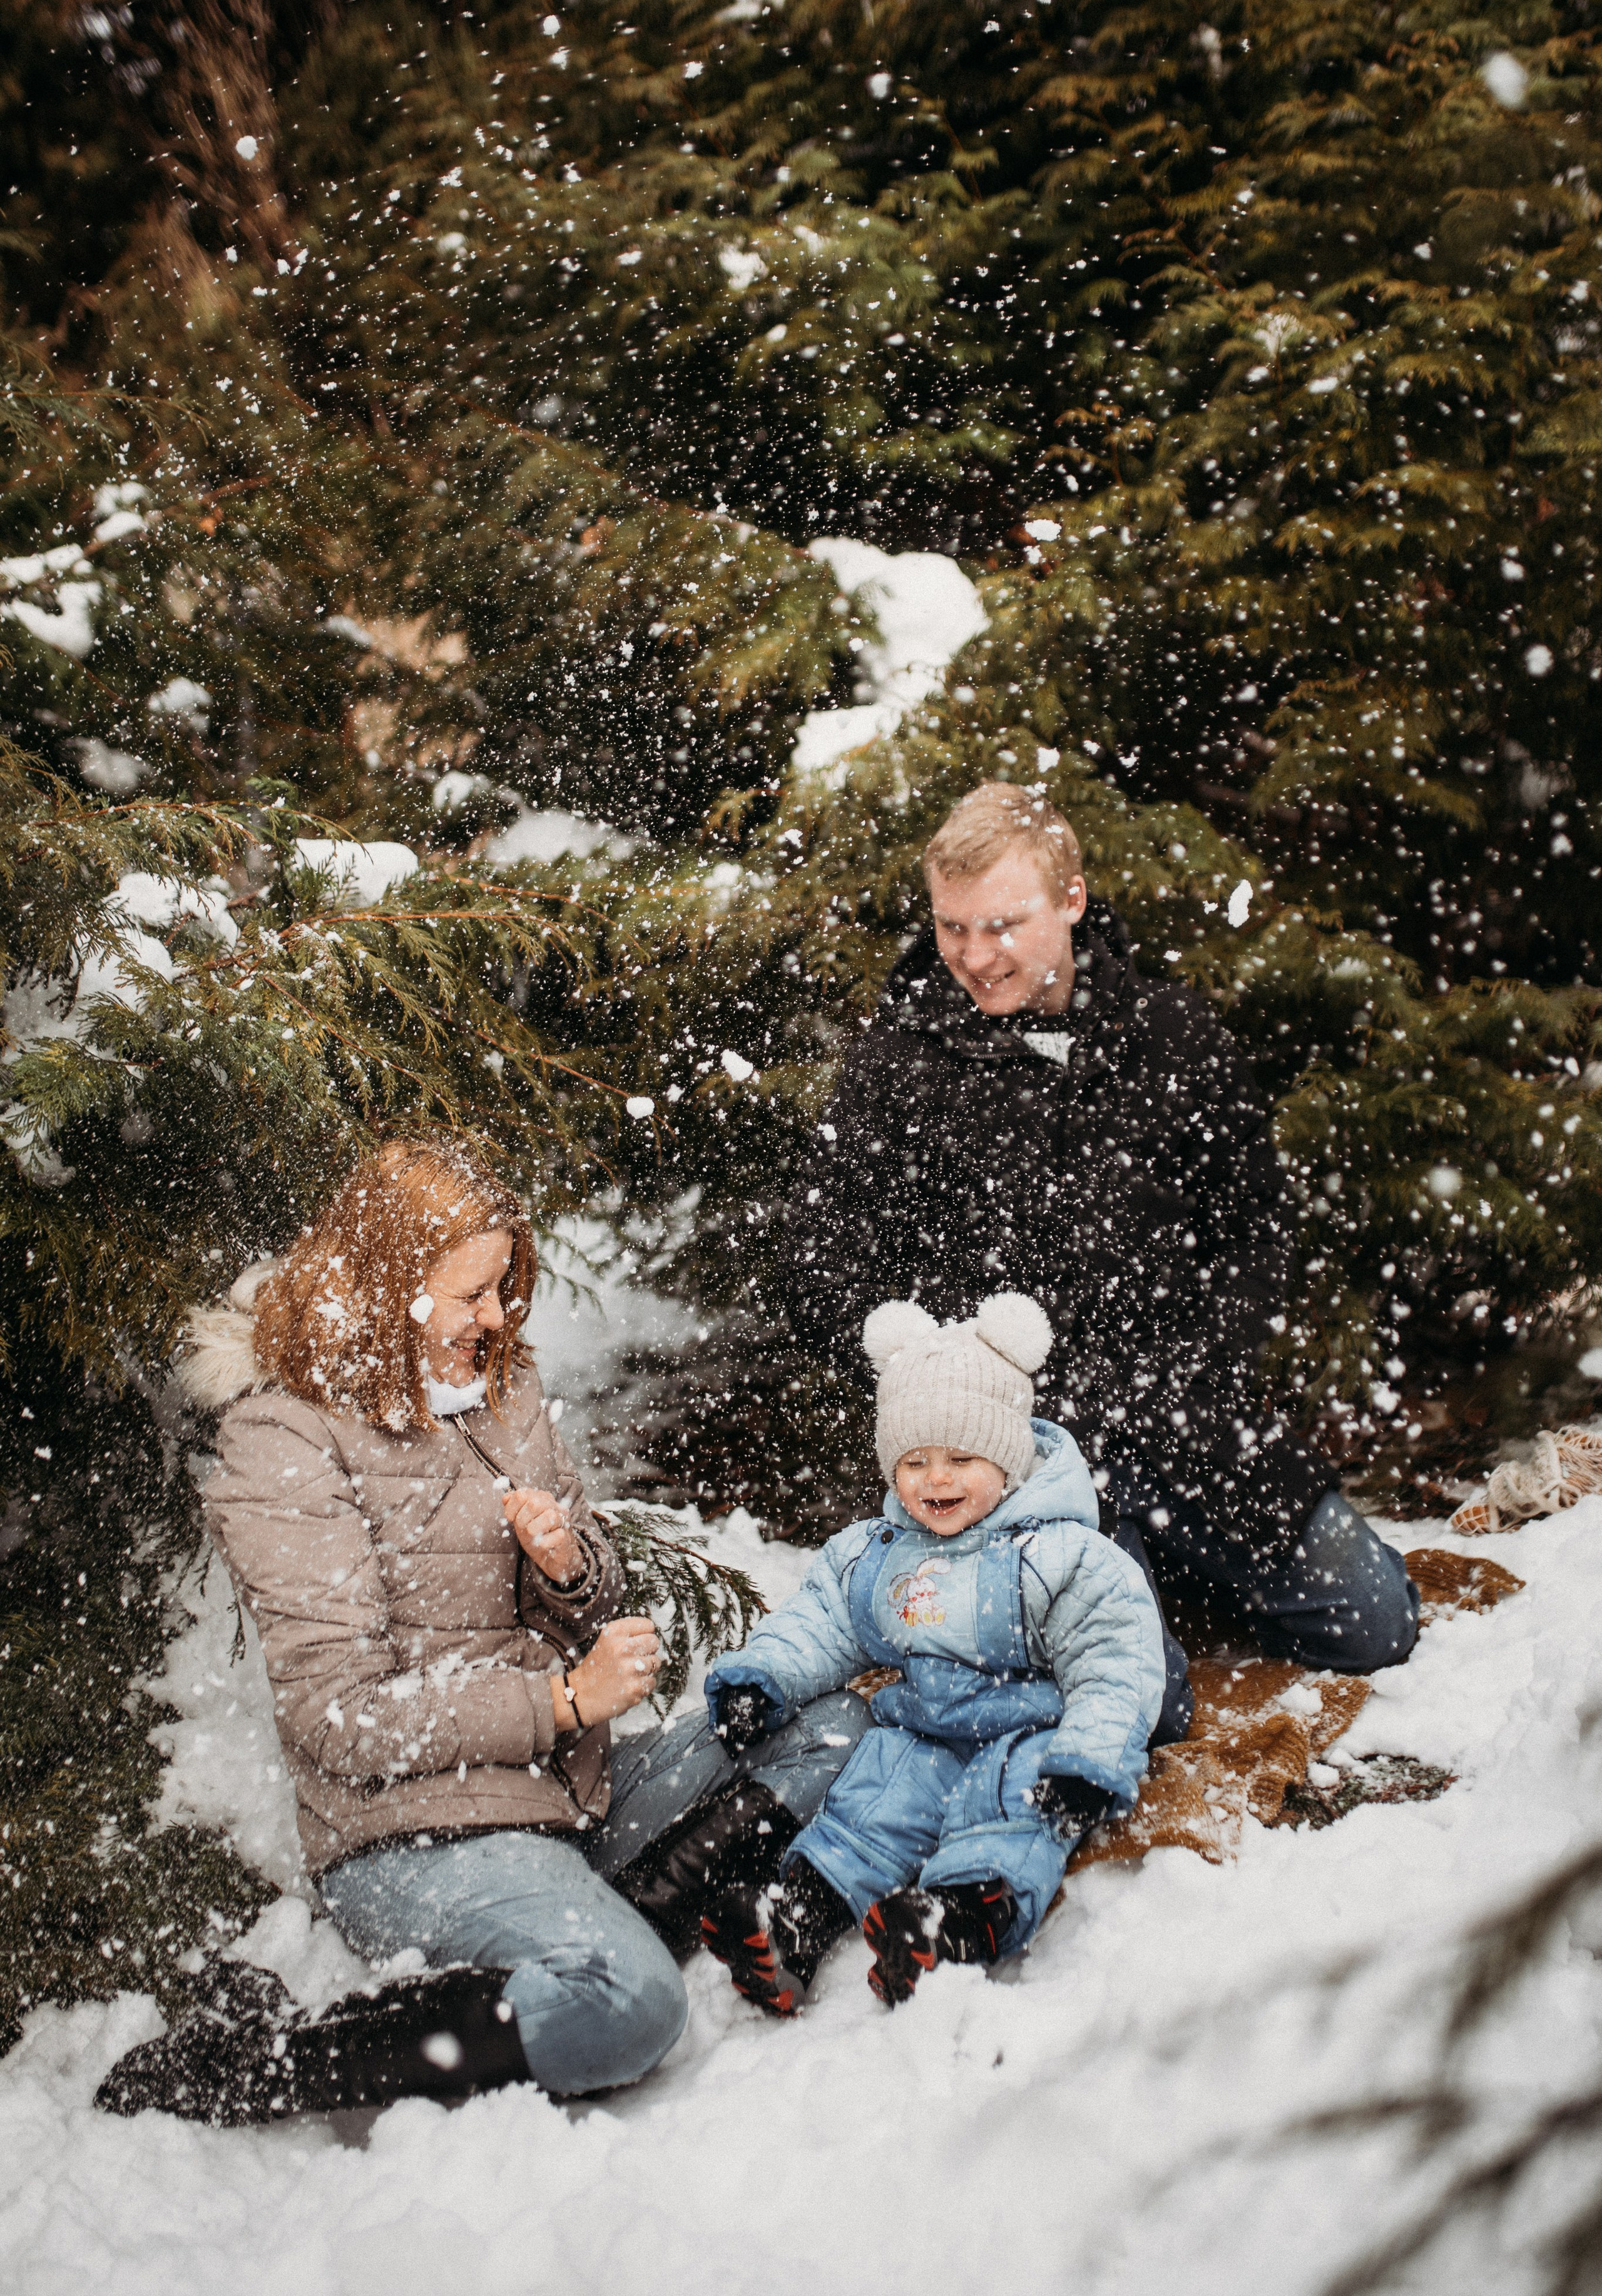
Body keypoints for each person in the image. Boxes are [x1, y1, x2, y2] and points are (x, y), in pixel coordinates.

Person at [97, 1140, 866, 2126]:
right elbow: (340, 1717)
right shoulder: (283, 1436)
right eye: (474, 1292)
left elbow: (589, 1588)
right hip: (415, 1836)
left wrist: (570, 1569)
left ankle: (600, 1915)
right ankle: (277, 2057)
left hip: (563, 1792)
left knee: (832, 1725)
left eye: (504, 1286)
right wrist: (557, 1699)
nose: (498, 1316)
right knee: (632, 2005)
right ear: (389, 1283)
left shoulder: (495, 1389)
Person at [782, 782, 1419, 1742]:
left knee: (1376, 1623)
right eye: (953, 927)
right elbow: (820, 1257)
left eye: (1004, 924)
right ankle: (1046, 1625)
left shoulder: (1173, 1034)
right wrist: (927, 1370)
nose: (975, 955)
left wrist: (1195, 1375)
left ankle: (1159, 1570)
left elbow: (1254, 1233)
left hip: (1185, 1418)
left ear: (1072, 900)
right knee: (1144, 1708)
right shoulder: (895, 1064)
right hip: (1017, 1462)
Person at [698, 1293, 1165, 2012]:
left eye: (960, 1457)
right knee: (868, 1806)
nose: (935, 1479)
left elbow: (1116, 1662)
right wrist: (763, 1678)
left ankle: (952, 1924)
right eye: (913, 1461)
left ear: (1007, 1460)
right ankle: (795, 1920)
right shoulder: (879, 1553)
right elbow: (821, 1620)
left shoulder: (1062, 1555)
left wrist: (1089, 1761)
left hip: (1027, 1733)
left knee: (1009, 1817)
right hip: (922, 1733)